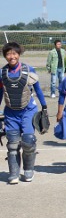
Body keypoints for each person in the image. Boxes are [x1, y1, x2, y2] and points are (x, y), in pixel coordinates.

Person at [1, 42, 48, 184]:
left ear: (19, 54)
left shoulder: (29, 70)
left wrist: (44, 107)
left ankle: (29, 170)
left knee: (28, 141)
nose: (12, 56)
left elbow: (38, 90)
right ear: (5, 56)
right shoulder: (2, 73)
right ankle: (14, 173)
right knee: (13, 144)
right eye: (8, 54)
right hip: (11, 112)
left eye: (14, 53)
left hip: (28, 110)